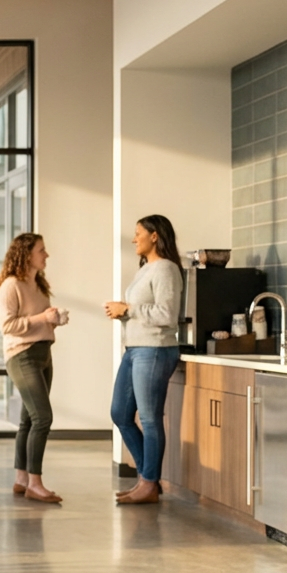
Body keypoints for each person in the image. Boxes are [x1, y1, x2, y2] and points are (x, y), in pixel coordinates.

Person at [107, 215, 183, 505]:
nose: (133, 238)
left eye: (138, 233)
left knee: (150, 419)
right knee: (120, 414)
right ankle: (146, 478)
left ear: (154, 236)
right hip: (135, 350)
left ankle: (149, 483)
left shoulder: (166, 268)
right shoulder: (146, 269)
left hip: (153, 350)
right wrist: (124, 311)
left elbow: (166, 314)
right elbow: (143, 310)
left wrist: (127, 308)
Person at [0, 233, 67, 504]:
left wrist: (54, 320)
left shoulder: (37, 284)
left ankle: (21, 478)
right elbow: (7, 326)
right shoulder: (10, 286)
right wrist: (42, 318)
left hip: (43, 353)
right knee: (42, 418)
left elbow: (35, 321)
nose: (46, 255)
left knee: (28, 420)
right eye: (41, 250)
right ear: (26, 254)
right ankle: (35, 484)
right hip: (22, 356)